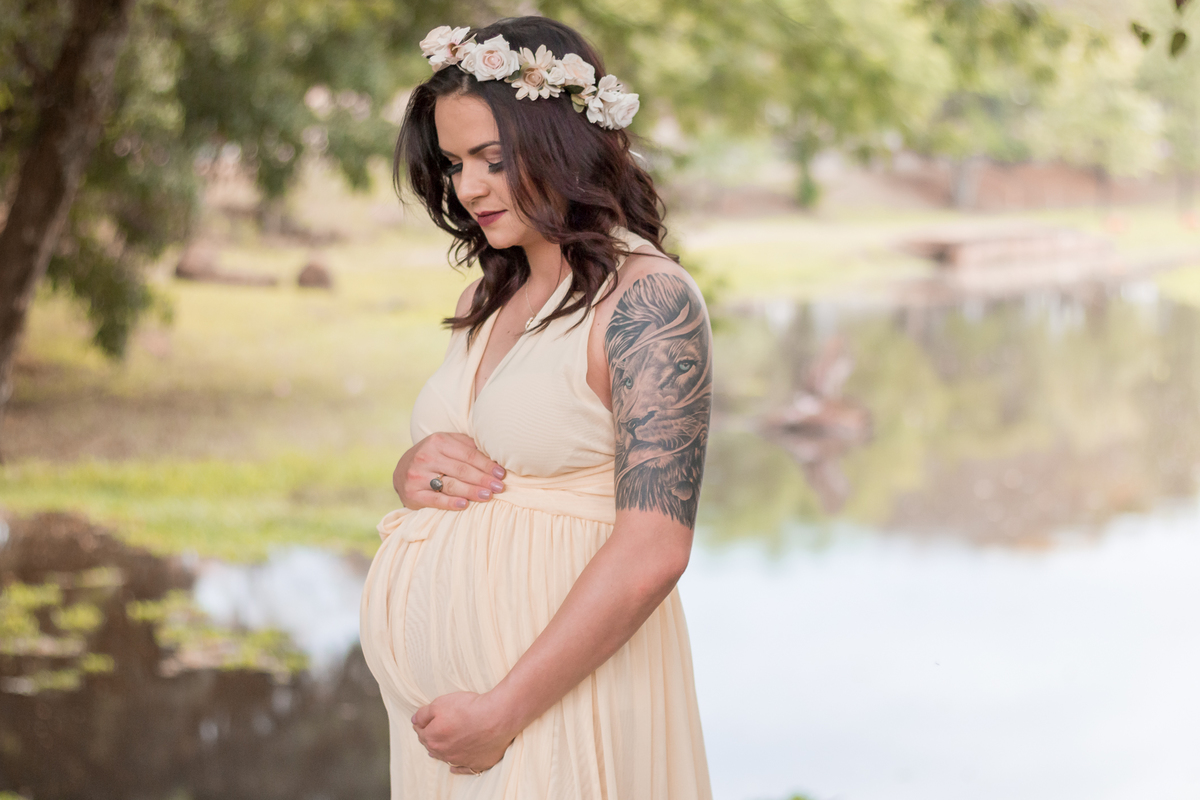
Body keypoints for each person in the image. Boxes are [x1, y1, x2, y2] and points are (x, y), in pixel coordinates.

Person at [359, 16, 713, 799]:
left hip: (547, 704)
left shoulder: (647, 299)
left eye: (494, 158)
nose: (469, 187)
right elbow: (490, 464)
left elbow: (656, 546)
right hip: (450, 729)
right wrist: (414, 469)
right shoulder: (488, 296)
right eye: (454, 164)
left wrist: (503, 708)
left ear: (563, 141)